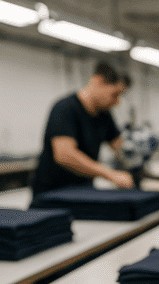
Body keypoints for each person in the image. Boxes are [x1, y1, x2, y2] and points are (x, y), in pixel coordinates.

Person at [32, 61, 135, 197]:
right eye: (115, 94)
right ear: (98, 81)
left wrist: (135, 155)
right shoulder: (65, 109)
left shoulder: (104, 115)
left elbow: (119, 147)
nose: (117, 102)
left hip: (83, 191)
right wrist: (109, 173)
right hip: (53, 194)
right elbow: (65, 155)